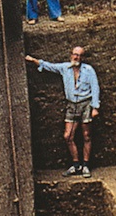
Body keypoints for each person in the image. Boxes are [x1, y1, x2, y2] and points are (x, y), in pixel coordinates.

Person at [25, 46, 100, 177]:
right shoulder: (65, 68)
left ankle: (86, 166)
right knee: (68, 136)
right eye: (74, 54)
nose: (76, 57)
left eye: (79, 55)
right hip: (72, 106)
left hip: (85, 105)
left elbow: (95, 87)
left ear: (83, 57)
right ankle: (76, 165)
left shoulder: (88, 70)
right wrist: (33, 60)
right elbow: (49, 66)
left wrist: (95, 107)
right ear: (71, 55)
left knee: (86, 136)